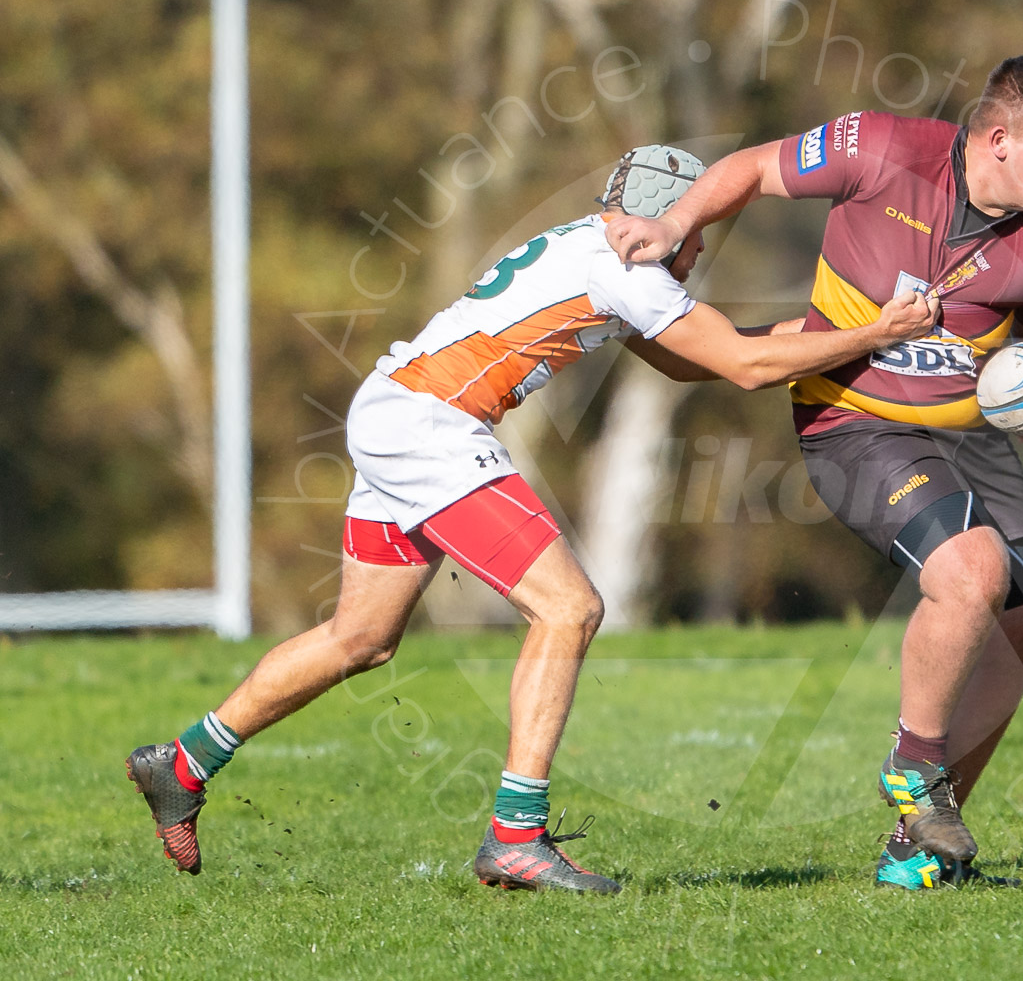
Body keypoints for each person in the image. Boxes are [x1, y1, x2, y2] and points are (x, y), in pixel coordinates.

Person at [125, 144, 938, 894]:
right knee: (569, 607)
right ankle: (515, 835)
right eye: (700, 228)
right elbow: (747, 367)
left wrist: (842, 335)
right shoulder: (633, 268)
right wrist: (883, 331)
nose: (699, 247)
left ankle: (185, 762)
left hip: (394, 411)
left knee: (360, 638)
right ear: (666, 215)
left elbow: (695, 361)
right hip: (429, 425)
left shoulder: (592, 244)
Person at [606, 57, 1023, 890]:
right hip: (855, 420)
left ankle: (922, 852)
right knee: (972, 573)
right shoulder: (879, 148)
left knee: (1018, 640)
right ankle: (914, 767)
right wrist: (673, 224)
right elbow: (754, 168)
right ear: (999, 139)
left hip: (969, 438)